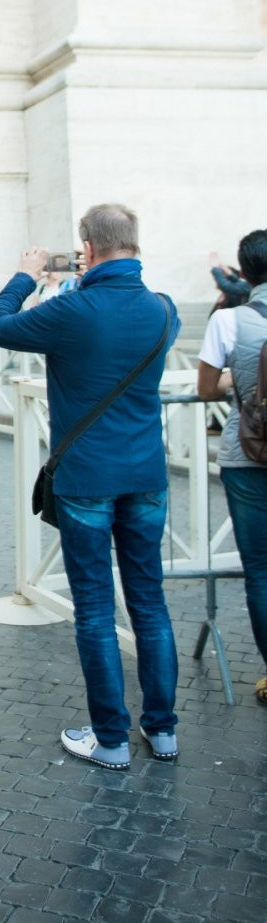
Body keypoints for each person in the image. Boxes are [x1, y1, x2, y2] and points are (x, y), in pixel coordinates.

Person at [0, 203, 181, 770]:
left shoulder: (70, 311)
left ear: (86, 248)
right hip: (146, 477)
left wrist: (27, 274)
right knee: (150, 604)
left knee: (94, 608)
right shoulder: (165, 311)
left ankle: (111, 739)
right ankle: (162, 732)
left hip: (87, 480)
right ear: (135, 246)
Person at [198, 229, 267, 706]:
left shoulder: (229, 321)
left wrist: (236, 379)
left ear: (243, 273)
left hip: (248, 456)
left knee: (261, 570)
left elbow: (206, 390)